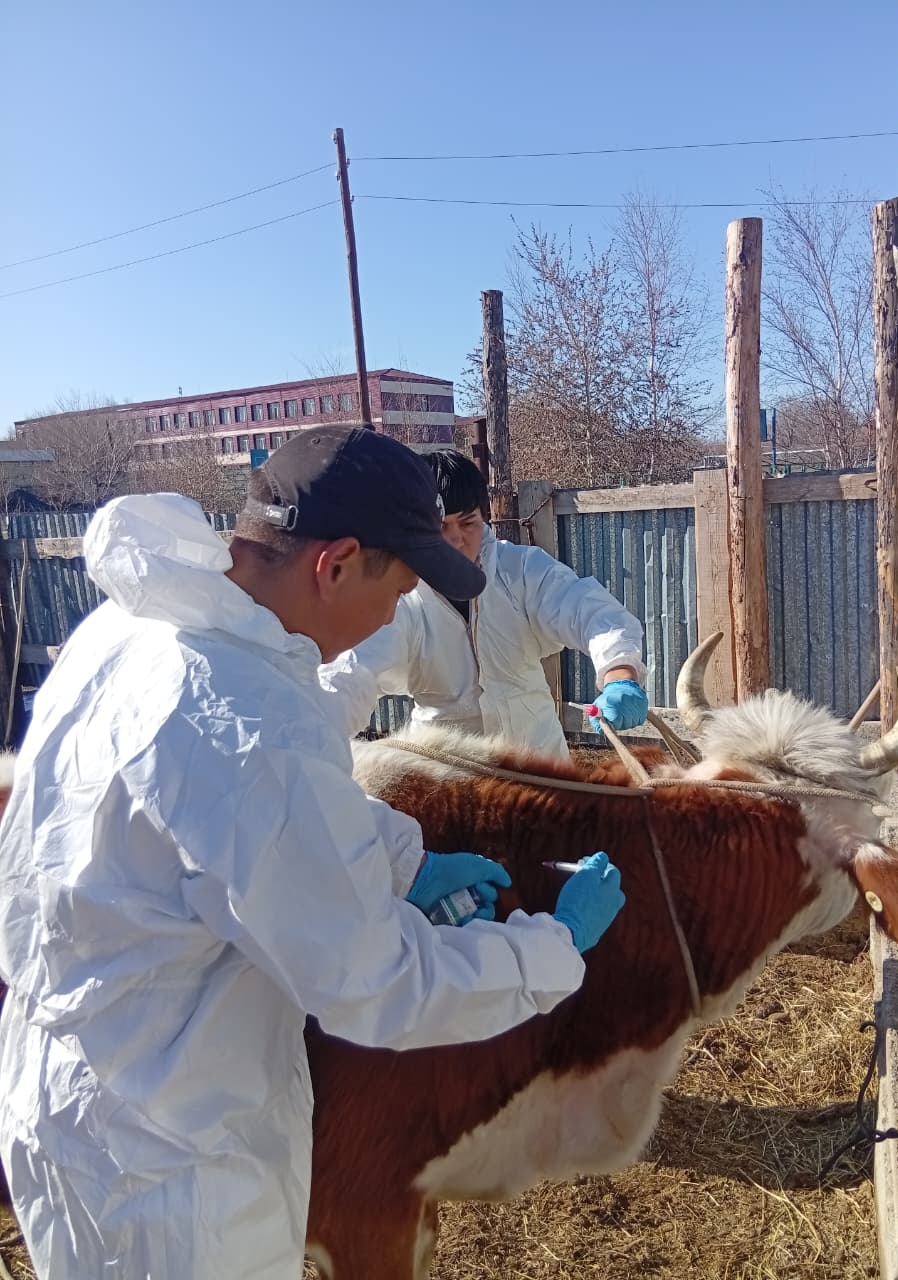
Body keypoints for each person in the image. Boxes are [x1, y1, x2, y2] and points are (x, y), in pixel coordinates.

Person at [0, 425, 626, 1280]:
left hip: (77, 1088)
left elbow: (226, 819)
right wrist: (552, 948)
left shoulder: (134, 628)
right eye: (395, 587)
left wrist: (403, 861)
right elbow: (377, 984)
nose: (387, 618)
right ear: (333, 563)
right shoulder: (247, 715)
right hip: (172, 1160)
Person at [320, 448, 650, 757]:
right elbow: (351, 669)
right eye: (439, 527)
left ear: (485, 518)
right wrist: (319, 735)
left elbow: (588, 611)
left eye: (468, 523)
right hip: (450, 778)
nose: (455, 539)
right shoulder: (402, 593)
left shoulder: (520, 570)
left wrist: (619, 673)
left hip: (540, 767)